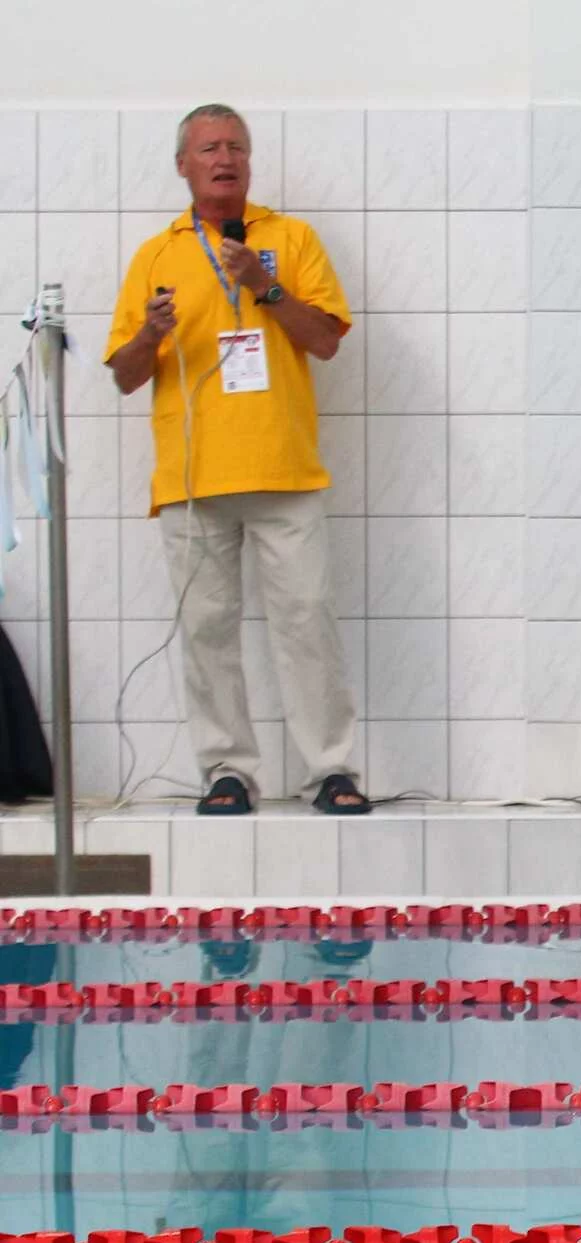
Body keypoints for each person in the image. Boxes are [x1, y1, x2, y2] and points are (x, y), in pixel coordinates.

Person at [104, 103, 367, 816]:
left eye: (238, 148)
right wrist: (151, 335)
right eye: (210, 147)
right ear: (184, 165)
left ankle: (331, 771)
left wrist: (264, 285)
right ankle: (226, 770)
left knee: (307, 621)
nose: (226, 158)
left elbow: (325, 340)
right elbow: (126, 374)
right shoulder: (156, 255)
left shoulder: (291, 237)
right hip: (193, 479)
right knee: (208, 631)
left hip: (285, 469)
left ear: (250, 163)